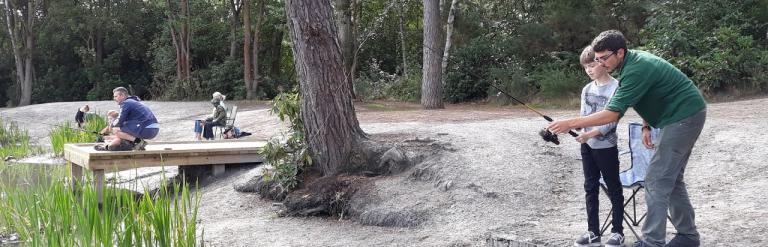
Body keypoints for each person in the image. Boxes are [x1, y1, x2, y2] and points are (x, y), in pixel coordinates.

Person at [548, 30, 706, 247]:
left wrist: (570, 123)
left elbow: (612, 113)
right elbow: (650, 95)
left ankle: (651, 242)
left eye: (604, 58)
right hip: (680, 114)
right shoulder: (630, 64)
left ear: (620, 52)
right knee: (671, 179)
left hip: (683, 116)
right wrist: (646, 123)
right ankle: (688, 236)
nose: (601, 64)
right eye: (597, 59)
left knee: (656, 179)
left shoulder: (636, 70)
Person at [572, 45, 624, 247]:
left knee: (614, 188)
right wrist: (579, 132)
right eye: (585, 67)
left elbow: (612, 121)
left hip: (606, 147)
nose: (589, 70)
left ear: (602, 63)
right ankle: (593, 231)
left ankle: (617, 232)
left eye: (592, 65)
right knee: (590, 187)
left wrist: (592, 133)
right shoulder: (587, 89)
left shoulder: (616, 87)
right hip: (587, 147)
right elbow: (583, 117)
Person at [95, 87, 160, 151]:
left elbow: (119, 121)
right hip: (154, 129)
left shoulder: (126, 103)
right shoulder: (134, 102)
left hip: (147, 129)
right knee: (121, 129)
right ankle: (135, 144)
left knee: (115, 130)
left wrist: (108, 128)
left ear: (122, 95)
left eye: (115, 96)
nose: (114, 99)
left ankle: (138, 142)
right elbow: (122, 121)